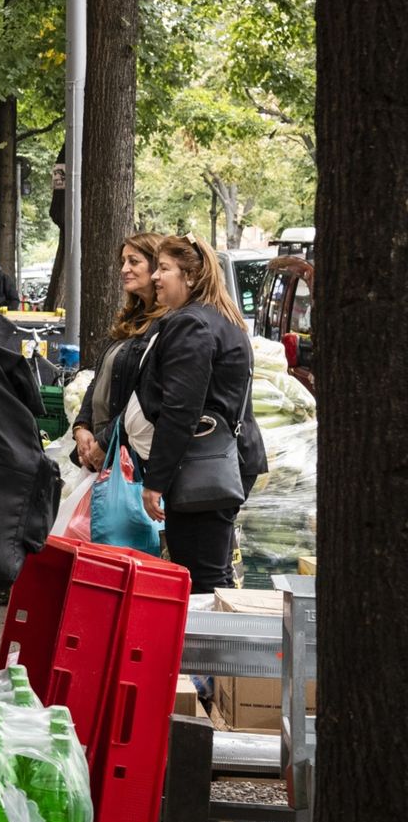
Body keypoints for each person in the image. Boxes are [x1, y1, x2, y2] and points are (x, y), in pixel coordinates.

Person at [132, 234, 268, 592]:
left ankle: (208, 647)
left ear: (190, 276)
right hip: (219, 462)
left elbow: (181, 409)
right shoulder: (220, 318)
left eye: (164, 268)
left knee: (202, 579)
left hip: (202, 468)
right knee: (211, 571)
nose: (156, 277)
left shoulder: (191, 323)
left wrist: (155, 483)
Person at [70, 232, 167, 472]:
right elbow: (99, 377)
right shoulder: (131, 319)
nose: (125, 269)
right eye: (123, 262)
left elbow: (145, 396)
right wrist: (81, 426)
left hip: (128, 454)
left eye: (134, 261)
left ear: (155, 267)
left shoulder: (166, 324)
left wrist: (106, 441)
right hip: (102, 447)